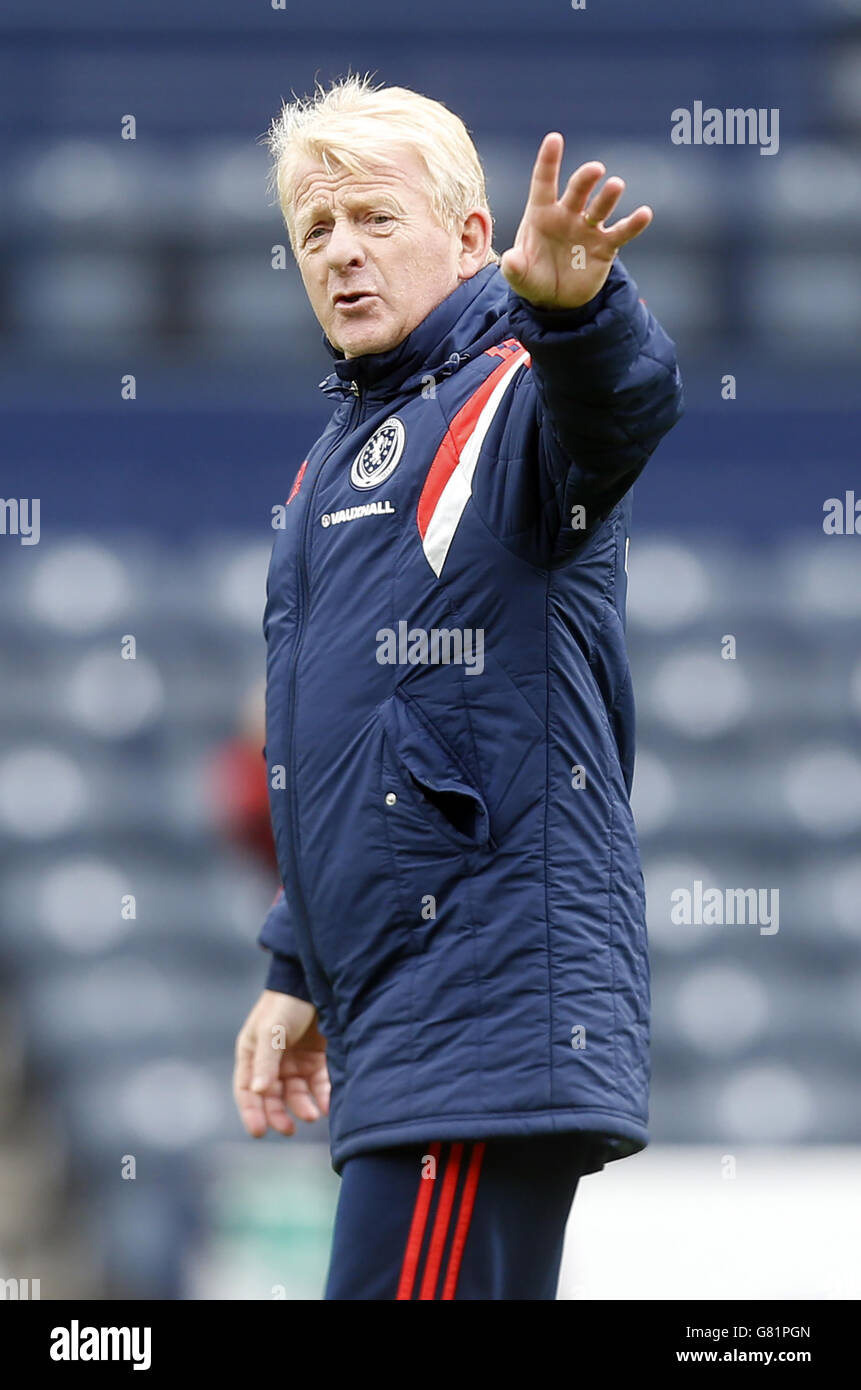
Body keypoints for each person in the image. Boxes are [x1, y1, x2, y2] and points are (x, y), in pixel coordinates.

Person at [232, 74, 684, 1300]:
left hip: (481, 1014)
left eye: (376, 218)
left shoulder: (512, 396)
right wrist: (294, 965)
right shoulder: (338, 454)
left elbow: (621, 409)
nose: (341, 254)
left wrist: (576, 312)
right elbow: (359, 742)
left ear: (474, 236)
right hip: (409, 1025)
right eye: (315, 231)